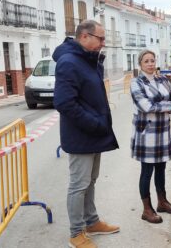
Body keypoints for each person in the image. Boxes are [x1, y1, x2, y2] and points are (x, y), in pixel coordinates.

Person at [53, 20, 120, 248]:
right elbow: (64, 103)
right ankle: (76, 233)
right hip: (82, 135)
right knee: (79, 185)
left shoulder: (89, 60)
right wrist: (94, 123)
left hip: (94, 133)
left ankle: (91, 222)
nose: (103, 43)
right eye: (100, 39)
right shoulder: (69, 63)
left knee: (90, 181)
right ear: (83, 37)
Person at [130, 50, 171, 224]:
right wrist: (166, 107)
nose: (150, 64)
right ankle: (147, 209)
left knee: (161, 169)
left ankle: (162, 202)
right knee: (147, 172)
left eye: (152, 60)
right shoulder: (136, 83)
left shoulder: (163, 80)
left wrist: (161, 106)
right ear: (140, 64)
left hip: (163, 131)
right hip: (147, 134)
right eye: (146, 61)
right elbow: (145, 106)